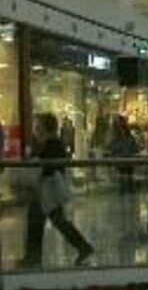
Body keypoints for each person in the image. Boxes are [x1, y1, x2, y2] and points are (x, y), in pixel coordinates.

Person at [21, 114, 94, 268]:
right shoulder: (53, 144)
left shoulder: (51, 145)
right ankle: (82, 246)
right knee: (57, 221)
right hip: (48, 189)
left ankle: (33, 257)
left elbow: (46, 167)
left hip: (47, 190)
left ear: (45, 128)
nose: (35, 130)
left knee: (39, 220)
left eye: (38, 127)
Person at [106, 115, 139, 194]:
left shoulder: (128, 136)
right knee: (122, 184)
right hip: (120, 164)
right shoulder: (114, 137)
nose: (121, 125)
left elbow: (135, 148)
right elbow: (110, 149)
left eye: (122, 122)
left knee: (129, 182)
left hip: (129, 164)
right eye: (119, 123)